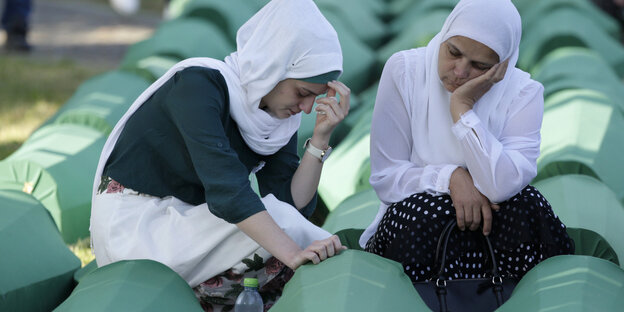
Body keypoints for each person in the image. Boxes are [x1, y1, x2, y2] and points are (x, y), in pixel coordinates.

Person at [90, 0, 349, 310]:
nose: (306, 108)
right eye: (302, 92)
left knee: (287, 224)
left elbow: (291, 203)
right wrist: (293, 253)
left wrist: (320, 137)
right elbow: (227, 191)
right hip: (136, 228)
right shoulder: (198, 85)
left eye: (315, 97)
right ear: (274, 65)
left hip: (191, 229)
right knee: (286, 234)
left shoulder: (275, 116)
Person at [360, 0, 574, 284]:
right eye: (453, 52)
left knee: (526, 205)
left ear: (503, 65)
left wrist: (463, 110)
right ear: (445, 34)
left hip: (492, 233)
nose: (460, 72)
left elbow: (502, 186)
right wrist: (451, 177)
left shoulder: (524, 92)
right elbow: (386, 178)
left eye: (479, 66)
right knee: (426, 214)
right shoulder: (405, 71)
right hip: (420, 229)